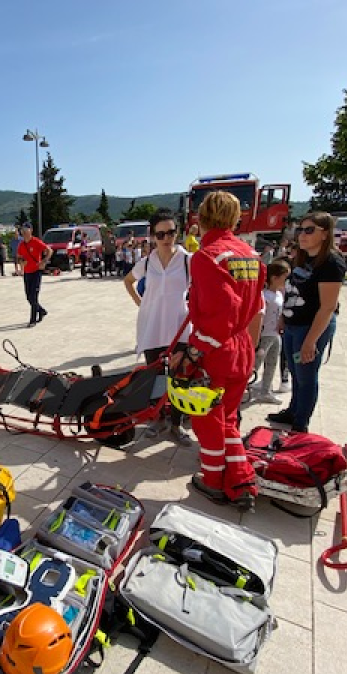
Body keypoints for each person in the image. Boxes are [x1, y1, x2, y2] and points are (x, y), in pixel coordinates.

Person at [186, 191, 265, 511]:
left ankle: (214, 479)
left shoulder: (206, 257)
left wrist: (196, 351)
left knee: (206, 418)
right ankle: (241, 478)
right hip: (242, 345)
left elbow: (222, 313)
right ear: (236, 219)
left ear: (201, 217)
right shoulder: (251, 254)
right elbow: (254, 308)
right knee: (228, 417)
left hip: (217, 351)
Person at [266, 212, 345, 433]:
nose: (302, 235)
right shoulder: (302, 257)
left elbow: (328, 306)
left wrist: (311, 341)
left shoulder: (331, 263)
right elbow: (292, 292)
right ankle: (293, 411)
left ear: (324, 233)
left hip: (310, 328)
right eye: (300, 230)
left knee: (306, 376)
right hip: (293, 325)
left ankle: (300, 424)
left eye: (309, 230)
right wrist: (283, 317)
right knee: (294, 371)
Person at [123, 208, 192, 444]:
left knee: (178, 379)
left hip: (178, 328)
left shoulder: (187, 261)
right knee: (154, 377)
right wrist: (140, 303)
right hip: (151, 327)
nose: (166, 239)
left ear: (177, 233)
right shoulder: (146, 262)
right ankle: (157, 419)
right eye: (160, 234)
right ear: (153, 236)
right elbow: (128, 281)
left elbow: (199, 292)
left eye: (170, 233)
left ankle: (177, 423)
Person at [253, 260, 291, 404]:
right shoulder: (264, 296)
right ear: (274, 278)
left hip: (275, 335)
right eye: (284, 278)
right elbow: (259, 318)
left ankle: (265, 390)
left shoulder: (279, 295)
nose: (286, 282)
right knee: (255, 364)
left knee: (272, 363)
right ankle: (245, 387)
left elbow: (279, 313)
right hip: (264, 337)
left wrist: (281, 324)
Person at [16, 222, 51, 327]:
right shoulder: (21, 245)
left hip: (36, 272)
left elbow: (49, 250)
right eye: (23, 231)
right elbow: (19, 256)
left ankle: (33, 320)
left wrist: (43, 261)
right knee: (28, 297)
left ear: (31, 231)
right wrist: (21, 264)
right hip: (27, 272)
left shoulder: (36, 242)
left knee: (34, 296)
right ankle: (41, 311)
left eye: (26, 231)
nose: (25, 233)